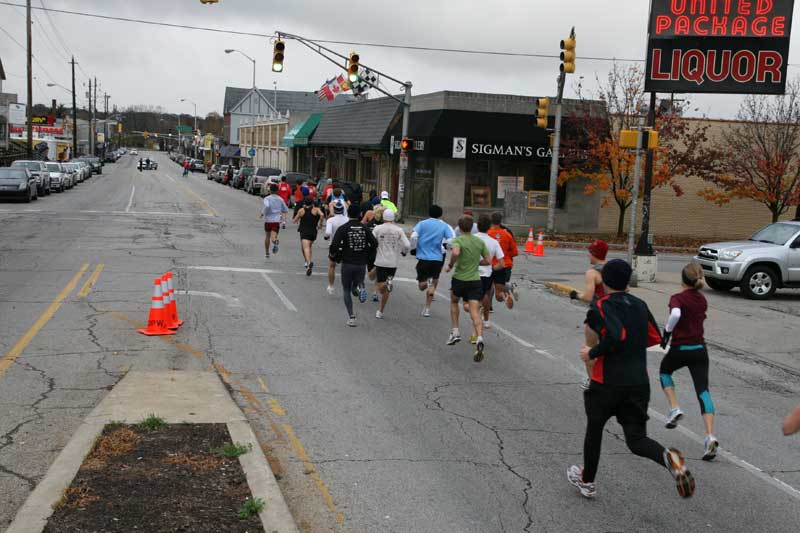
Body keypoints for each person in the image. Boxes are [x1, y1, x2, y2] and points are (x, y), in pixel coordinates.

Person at [568, 259, 695, 500]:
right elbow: (655, 337)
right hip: (637, 382)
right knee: (636, 439)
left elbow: (614, 335)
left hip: (606, 382)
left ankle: (588, 480)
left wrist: (591, 353)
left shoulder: (601, 306)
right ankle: (668, 458)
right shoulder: (640, 304)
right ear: (627, 282)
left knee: (594, 431)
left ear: (604, 281)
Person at [658, 263, 719, 460]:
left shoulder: (677, 298)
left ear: (682, 279)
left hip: (681, 348)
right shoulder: (702, 300)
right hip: (700, 350)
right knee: (703, 390)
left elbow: (676, 314)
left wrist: (667, 332)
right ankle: (710, 436)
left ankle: (675, 408)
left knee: (665, 371)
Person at [445, 215, 492, 362]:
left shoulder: (457, 240)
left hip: (460, 278)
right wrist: (476, 264)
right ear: (472, 227)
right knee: (474, 311)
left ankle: (456, 331)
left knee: (453, 302)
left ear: (459, 227)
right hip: (475, 280)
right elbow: (489, 260)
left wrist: (451, 264)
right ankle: (479, 337)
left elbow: (456, 252)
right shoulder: (478, 241)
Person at [330, 204, 378, 327]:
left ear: (348, 214)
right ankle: (360, 288)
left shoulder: (343, 228)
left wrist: (334, 255)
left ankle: (351, 317)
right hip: (361, 263)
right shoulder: (364, 228)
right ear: (360, 215)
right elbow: (374, 243)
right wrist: (368, 254)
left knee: (346, 289)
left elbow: (334, 245)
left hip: (347, 263)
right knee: (356, 285)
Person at [571, 240, 609, 389]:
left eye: (590, 252)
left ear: (594, 254)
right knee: (609, 349)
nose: (588, 255)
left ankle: (592, 382)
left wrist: (575, 295)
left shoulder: (592, 273)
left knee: (590, 349)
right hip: (613, 314)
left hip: (597, 315)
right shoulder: (612, 269)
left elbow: (588, 296)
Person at [411, 205, 455, 318]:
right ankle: (427, 309)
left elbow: (413, 236)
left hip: (423, 258)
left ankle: (426, 283)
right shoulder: (444, 226)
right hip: (437, 259)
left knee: (421, 286)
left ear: (429, 213)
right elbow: (451, 240)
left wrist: (414, 248)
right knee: (434, 281)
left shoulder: (422, 223)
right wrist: (446, 247)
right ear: (440, 215)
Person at [372, 209, 410, 319]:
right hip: (393, 263)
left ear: (383, 217)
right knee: (386, 289)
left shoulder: (378, 228)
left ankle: (386, 283)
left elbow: (371, 240)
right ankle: (381, 311)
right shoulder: (398, 230)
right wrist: (404, 252)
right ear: (393, 218)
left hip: (380, 261)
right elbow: (407, 244)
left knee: (380, 288)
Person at [475, 215, 505, 336]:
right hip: (487, 272)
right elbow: (502, 263)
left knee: (473, 298)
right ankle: (486, 320)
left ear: (477, 226)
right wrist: (492, 267)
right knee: (486, 294)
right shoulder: (494, 242)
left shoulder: (472, 238)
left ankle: (475, 321)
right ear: (489, 227)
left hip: (472, 272)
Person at [487, 213, 518, 310]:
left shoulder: (488, 233)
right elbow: (514, 252)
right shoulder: (507, 234)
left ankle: (487, 308)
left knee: (488, 287)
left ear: (491, 221)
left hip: (491, 264)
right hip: (504, 265)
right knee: (499, 293)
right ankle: (506, 294)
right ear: (501, 221)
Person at [293, 196, 325, 276]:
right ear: (312, 203)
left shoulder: (301, 210)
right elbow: (322, 215)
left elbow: (294, 220)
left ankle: (308, 263)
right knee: (308, 247)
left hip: (304, 231)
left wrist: (297, 219)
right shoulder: (316, 209)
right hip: (313, 231)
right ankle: (308, 263)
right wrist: (320, 224)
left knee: (305, 248)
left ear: (304, 203)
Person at [324, 201, 349, 295]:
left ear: (334, 210)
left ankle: (331, 286)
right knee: (346, 266)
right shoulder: (347, 220)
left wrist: (326, 237)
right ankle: (346, 286)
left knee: (332, 266)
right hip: (345, 246)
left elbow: (328, 233)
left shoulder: (330, 220)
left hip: (334, 245)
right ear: (343, 211)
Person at [259, 184, 288, 259]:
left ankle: (267, 253)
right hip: (276, 221)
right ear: (277, 190)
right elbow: (285, 209)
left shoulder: (267, 198)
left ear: (270, 190)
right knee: (273, 236)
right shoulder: (280, 199)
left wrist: (263, 213)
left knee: (267, 236)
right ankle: (275, 242)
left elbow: (267, 206)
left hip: (268, 220)